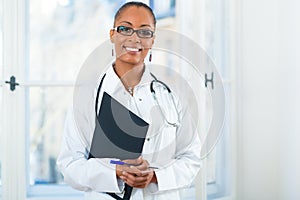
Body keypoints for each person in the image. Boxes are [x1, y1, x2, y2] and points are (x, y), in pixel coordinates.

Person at [57, 2, 201, 200]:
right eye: (125, 29)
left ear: (153, 40)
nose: (135, 38)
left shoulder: (173, 95)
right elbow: (70, 166)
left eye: (145, 32)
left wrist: (155, 176)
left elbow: (191, 159)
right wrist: (116, 171)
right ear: (112, 35)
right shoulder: (86, 98)